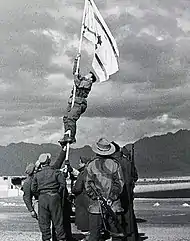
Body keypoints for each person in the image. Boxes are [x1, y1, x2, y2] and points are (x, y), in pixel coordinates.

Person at [85, 138, 124, 241]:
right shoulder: (115, 164)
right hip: (113, 204)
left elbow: (88, 186)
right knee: (116, 234)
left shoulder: (91, 165)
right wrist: (111, 197)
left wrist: (97, 198)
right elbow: (119, 183)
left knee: (94, 235)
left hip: (96, 205)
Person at [59, 54, 97, 145]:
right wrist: (76, 60)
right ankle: (67, 134)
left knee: (71, 118)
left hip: (79, 102)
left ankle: (71, 136)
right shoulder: (83, 79)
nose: (87, 74)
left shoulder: (88, 83)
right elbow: (75, 72)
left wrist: (76, 76)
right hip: (72, 100)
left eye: (89, 74)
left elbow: (78, 84)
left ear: (91, 78)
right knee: (66, 118)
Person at [31, 153, 66, 241]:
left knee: (44, 223)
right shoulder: (56, 172)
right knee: (58, 222)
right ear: (49, 161)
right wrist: (57, 193)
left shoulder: (37, 175)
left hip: (42, 198)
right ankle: (61, 239)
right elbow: (63, 185)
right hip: (54, 197)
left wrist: (40, 194)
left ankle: (46, 239)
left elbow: (33, 189)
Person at [111, 142, 139, 241]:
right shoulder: (127, 162)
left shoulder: (111, 163)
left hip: (116, 195)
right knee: (129, 217)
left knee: (117, 219)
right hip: (128, 193)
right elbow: (135, 176)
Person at [72, 156, 90, 233]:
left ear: (83, 163)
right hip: (89, 199)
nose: (79, 164)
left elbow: (78, 188)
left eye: (80, 162)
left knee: (84, 222)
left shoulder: (82, 174)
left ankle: (87, 236)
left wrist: (73, 189)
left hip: (82, 199)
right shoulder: (90, 172)